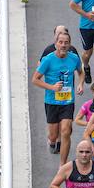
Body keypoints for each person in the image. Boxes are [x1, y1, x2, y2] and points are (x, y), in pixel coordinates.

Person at [33, 28, 83, 160]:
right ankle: (52, 141)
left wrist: (80, 84)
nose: (63, 45)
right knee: (53, 135)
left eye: (66, 42)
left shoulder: (74, 58)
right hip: (51, 102)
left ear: (69, 44)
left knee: (66, 131)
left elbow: (81, 72)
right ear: (56, 43)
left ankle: (63, 164)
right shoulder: (48, 60)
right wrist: (52, 87)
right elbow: (35, 79)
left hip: (68, 101)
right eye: (61, 42)